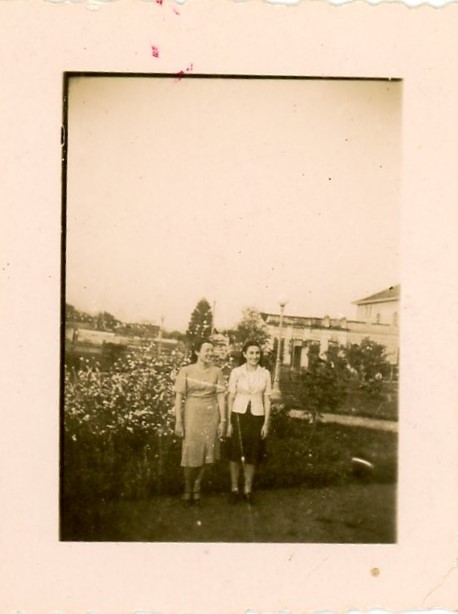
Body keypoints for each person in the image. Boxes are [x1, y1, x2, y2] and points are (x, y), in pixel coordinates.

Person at [174, 339, 226, 505]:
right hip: (192, 414)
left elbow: (221, 396)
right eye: (206, 350)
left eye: (212, 350)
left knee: (206, 452)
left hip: (211, 415)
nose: (210, 353)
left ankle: (197, 487)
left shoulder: (217, 372)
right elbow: (179, 397)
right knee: (190, 451)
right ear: (197, 352)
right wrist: (178, 421)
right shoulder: (186, 370)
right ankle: (187, 488)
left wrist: (223, 420)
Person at [227, 340, 271, 504]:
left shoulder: (265, 373)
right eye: (251, 353)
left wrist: (266, 423)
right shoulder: (236, 372)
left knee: (252, 454)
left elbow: (267, 400)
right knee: (235, 454)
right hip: (238, 415)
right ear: (245, 354)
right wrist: (228, 422)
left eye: (257, 353)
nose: (254, 356)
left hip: (256, 417)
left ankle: (247, 490)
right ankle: (234, 489)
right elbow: (230, 397)